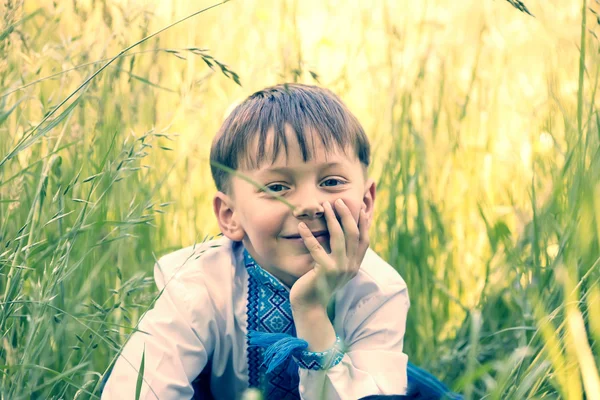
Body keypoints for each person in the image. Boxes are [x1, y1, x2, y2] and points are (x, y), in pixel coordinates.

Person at [101, 84, 461, 399]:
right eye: (276, 187)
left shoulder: (377, 290)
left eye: (332, 181)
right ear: (230, 216)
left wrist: (312, 309)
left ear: (366, 202)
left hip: (353, 391)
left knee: (403, 389)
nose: (308, 205)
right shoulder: (198, 285)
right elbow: (136, 390)